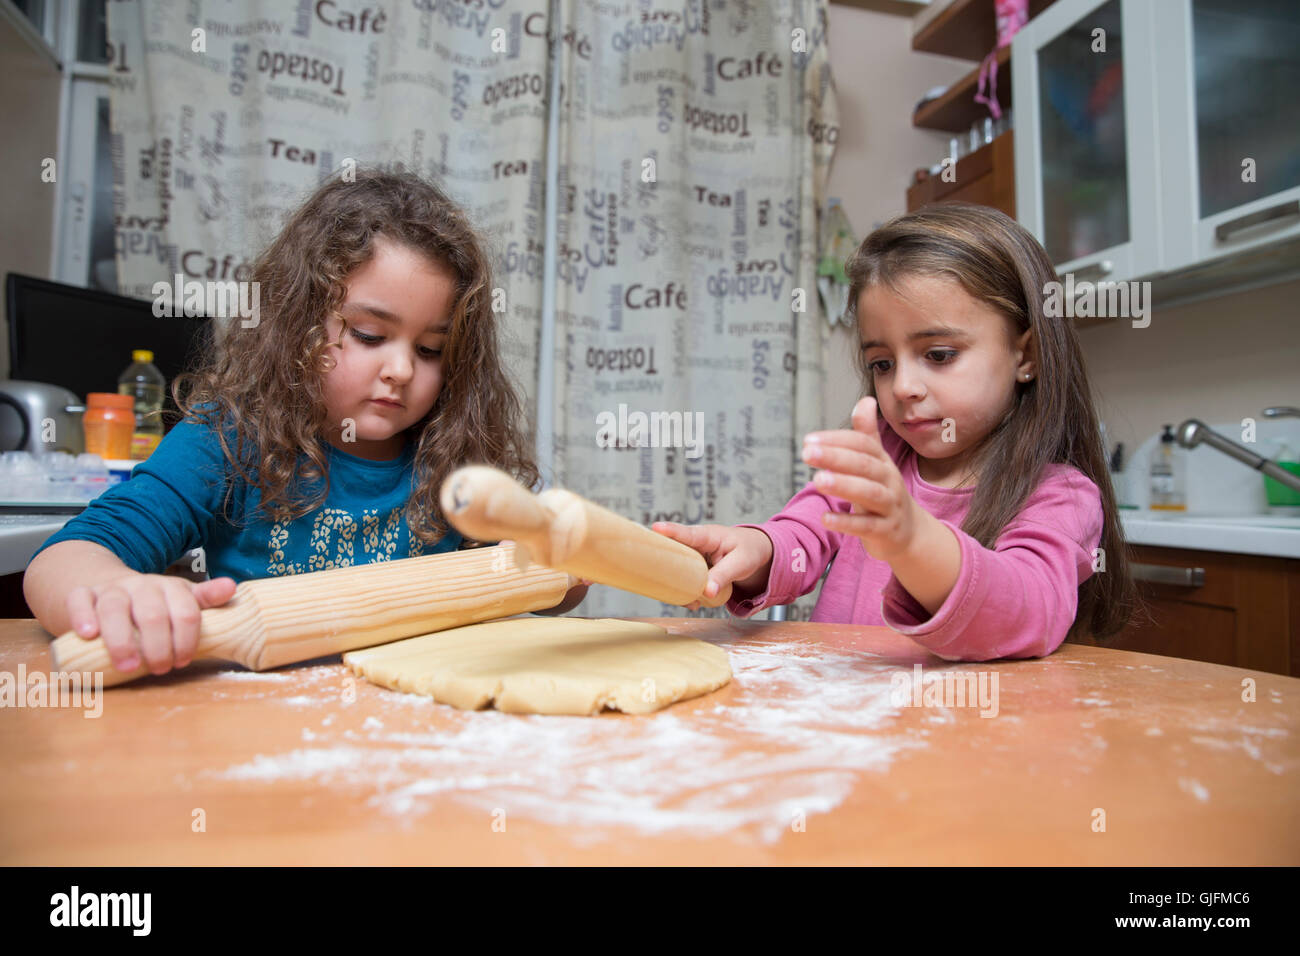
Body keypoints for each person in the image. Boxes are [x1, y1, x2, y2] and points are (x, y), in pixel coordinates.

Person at [24, 170, 586, 675]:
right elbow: (61, 560)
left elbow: (543, 586)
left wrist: (583, 561)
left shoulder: (455, 466)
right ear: (298, 327)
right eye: (369, 335)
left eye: (432, 349)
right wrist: (117, 591)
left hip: (417, 731)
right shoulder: (229, 440)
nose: (400, 369)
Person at [654, 203, 1138, 660]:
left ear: (1025, 356)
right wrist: (756, 550)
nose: (903, 386)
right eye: (882, 363)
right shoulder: (880, 457)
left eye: (939, 355)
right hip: (847, 725)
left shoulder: (1058, 495)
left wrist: (912, 540)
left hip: (961, 738)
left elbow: (1029, 610)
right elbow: (803, 534)